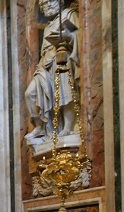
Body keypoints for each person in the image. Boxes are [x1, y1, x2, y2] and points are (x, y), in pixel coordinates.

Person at [24, 0, 79, 142]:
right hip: (45, 65)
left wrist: (68, 37)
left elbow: (81, 37)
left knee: (64, 91)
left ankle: (68, 127)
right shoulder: (48, 26)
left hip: (62, 59)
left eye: (49, 2)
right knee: (30, 93)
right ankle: (40, 127)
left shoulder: (69, 15)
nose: (45, 6)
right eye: (42, 5)